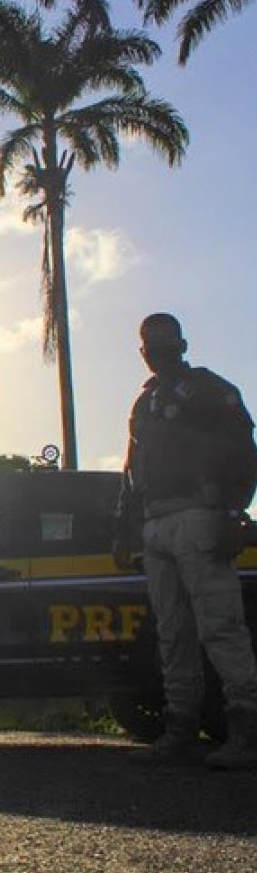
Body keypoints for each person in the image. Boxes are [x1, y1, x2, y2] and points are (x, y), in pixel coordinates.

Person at [114, 313, 257, 768]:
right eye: (150, 346)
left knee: (220, 627)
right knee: (172, 633)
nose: (158, 353)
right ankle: (181, 726)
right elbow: (132, 468)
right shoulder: (145, 402)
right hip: (155, 524)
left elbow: (243, 451)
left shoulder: (210, 390)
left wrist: (234, 512)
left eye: (165, 343)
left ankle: (247, 728)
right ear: (142, 354)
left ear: (183, 344)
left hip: (200, 516)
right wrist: (125, 527)